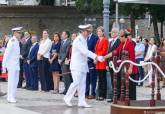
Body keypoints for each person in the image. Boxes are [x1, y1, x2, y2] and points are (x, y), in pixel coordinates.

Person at [63, 24, 104, 108]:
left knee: (82, 84)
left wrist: (94, 58)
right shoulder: (78, 40)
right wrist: (96, 57)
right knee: (76, 82)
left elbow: (85, 53)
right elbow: (85, 51)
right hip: (76, 65)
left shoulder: (84, 39)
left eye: (89, 32)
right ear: (83, 32)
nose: (89, 33)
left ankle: (81, 101)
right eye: (88, 32)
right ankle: (67, 97)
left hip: (82, 65)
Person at [104, 30, 138, 100]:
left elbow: (132, 57)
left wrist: (130, 68)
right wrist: (104, 57)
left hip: (130, 68)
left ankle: (132, 100)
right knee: (125, 85)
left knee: (131, 86)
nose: (119, 38)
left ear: (124, 37)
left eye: (120, 37)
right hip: (124, 68)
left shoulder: (129, 43)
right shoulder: (122, 43)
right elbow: (115, 52)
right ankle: (126, 99)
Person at [2, 27, 22, 103]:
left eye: (20, 33)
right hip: (11, 65)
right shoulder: (12, 41)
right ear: (15, 33)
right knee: (11, 81)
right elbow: (7, 53)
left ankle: (12, 96)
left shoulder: (17, 41)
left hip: (16, 65)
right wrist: (4, 66)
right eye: (19, 33)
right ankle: (9, 97)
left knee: (15, 81)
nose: (20, 34)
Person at [106, 27, 120, 102]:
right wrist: (107, 64)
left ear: (117, 33)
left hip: (116, 63)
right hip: (110, 63)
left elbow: (117, 52)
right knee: (112, 80)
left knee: (117, 80)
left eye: (114, 32)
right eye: (111, 32)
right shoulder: (110, 42)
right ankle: (114, 96)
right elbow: (108, 53)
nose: (112, 33)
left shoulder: (118, 41)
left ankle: (117, 96)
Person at [95, 26, 109, 101]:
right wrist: (96, 57)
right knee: (99, 79)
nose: (98, 33)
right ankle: (99, 94)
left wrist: (97, 57)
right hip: (98, 61)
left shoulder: (105, 40)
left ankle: (103, 95)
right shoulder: (98, 40)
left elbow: (104, 51)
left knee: (103, 79)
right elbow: (96, 50)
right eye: (97, 31)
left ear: (103, 32)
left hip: (102, 61)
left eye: (100, 31)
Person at [85, 24, 98, 99]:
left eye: (89, 29)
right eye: (87, 29)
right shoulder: (85, 38)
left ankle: (93, 93)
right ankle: (86, 93)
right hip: (85, 61)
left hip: (91, 61)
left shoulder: (95, 38)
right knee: (86, 78)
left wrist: (91, 58)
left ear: (92, 29)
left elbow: (94, 50)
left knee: (93, 78)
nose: (88, 30)